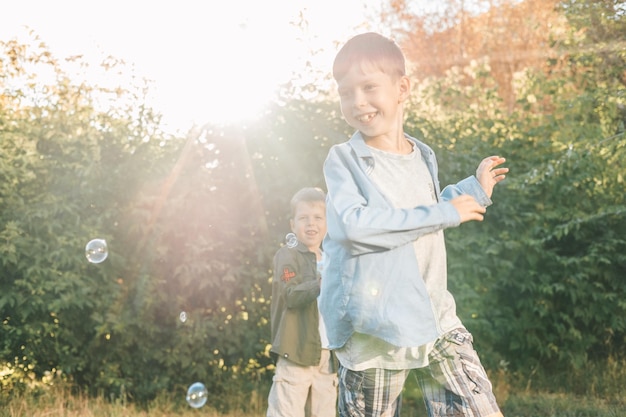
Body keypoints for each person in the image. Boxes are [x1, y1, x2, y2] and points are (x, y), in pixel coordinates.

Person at [319, 32, 508, 417]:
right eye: (345, 92)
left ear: (402, 87)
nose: (357, 101)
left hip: (435, 315)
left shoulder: (422, 154)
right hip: (377, 330)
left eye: (369, 86)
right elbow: (356, 228)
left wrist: (472, 190)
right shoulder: (344, 161)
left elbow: (424, 212)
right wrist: (444, 213)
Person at [266, 187, 338, 417]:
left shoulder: (332, 260)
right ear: (292, 225)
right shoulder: (287, 257)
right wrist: (320, 282)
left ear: (328, 223)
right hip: (296, 350)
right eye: (303, 218)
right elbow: (291, 293)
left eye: (318, 218)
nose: (311, 224)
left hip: (327, 355)